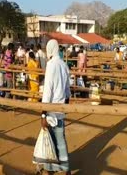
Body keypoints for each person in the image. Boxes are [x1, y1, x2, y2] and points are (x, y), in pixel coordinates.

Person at [41, 39, 71, 175]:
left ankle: (52, 169)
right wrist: (66, 107)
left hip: (51, 109)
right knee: (61, 140)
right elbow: (67, 90)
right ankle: (65, 168)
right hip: (61, 109)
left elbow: (47, 91)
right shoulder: (64, 65)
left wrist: (43, 114)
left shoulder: (51, 65)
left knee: (52, 141)